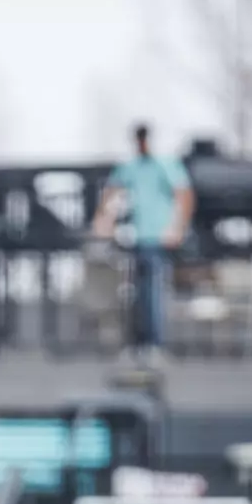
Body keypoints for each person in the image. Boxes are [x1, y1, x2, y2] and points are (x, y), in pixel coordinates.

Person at [90, 123, 195, 366]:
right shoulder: (130, 168)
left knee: (153, 292)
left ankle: (154, 344)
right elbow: (111, 193)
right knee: (134, 293)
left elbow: (184, 195)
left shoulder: (165, 165)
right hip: (135, 239)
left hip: (158, 238)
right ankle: (137, 344)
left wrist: (177, 228)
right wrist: (103, 221)